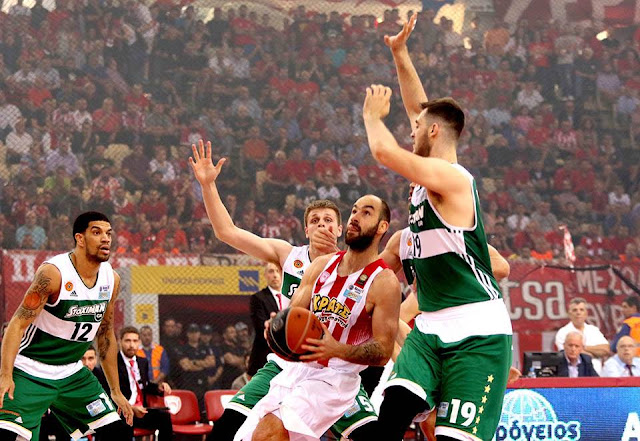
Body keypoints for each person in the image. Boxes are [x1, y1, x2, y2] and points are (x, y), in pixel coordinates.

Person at [361, 14, 513, 440]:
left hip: (477, 329)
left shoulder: (452, 178)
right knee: (389, 417)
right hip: (430, 327)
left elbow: (384, 152)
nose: (410, 131)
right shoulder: (431, 166)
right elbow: (419, 108)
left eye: (415, 129)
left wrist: (372, 116)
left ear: (432, 132)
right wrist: (400, 53)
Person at [189, 140, 378, 441]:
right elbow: (227, 232)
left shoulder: (355, 267)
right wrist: (208, 185)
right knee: (226, 429)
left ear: (339, 229)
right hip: (286, 365)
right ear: (306, 230)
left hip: (333, 370)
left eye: (328, 220)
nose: (322, 225)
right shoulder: (288, 255)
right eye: (314, 221)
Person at [235, 194, 401, 441]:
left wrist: (336, 349)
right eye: (354, 211)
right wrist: (278, 328)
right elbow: (294, 315)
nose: (355, 217)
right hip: (296, 370)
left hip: (334, 379)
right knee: (246, 437)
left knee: (269, 432)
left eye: (366, 213)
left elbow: (383, 351)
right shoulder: (321, 265)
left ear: (382, 227)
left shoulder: (384, 281)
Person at [0, 211, 134, 440]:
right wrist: (5, 375)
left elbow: (105, 334)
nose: (106, 239)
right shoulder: (53, 273)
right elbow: (16, 325)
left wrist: (115, 391)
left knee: (118, 432)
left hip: (72, 372)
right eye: (97, 232)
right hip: (31, 369)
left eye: (109, 234)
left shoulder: (111, 280)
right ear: (79, 238)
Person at [93, 326, 173, 441]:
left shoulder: (142, 362)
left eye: (135, 341)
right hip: (122, 410)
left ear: (139, 342)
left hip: (141, 410)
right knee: (125, 422)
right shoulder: (112, 363)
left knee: (164, 417)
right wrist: (130, 408)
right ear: (120, 342)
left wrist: (159, 388)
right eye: (128, 341)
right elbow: (108, 392)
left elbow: (144, 385)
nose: (131, 345)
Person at [554, 297, 610, 373]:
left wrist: (584, 348)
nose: (578, 313)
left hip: (597, 374)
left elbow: (606, 350)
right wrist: (595, 353)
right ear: (569, 314)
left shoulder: (594, 330)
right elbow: (570, 354)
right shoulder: (563, 332)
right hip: (575, 374)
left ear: (586, 313)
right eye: (575, 310)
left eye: (581, 310)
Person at [248, 263, 282, 377]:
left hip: (290, 356)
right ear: (265, 275)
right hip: (265, 354)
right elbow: (260, 327)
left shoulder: (293, 297)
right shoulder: (258, 298)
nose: (275, 275)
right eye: (271, 271)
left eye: (278, 271)